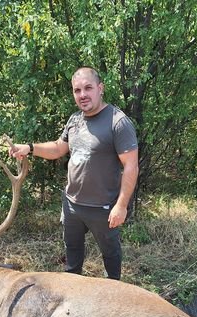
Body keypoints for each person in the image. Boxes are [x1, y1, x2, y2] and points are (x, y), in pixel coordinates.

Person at [9, 66, 139, 280]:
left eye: (88, 88)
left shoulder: (118, 122)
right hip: (72, 205)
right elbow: (59, 148)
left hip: (103, 208)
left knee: (111, 256)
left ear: (100, 88)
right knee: (72, 256)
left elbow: (131, 166)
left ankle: (114, 295)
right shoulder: (75, 120)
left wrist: (121, 205)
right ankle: (71, 296)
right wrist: (30, 148)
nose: (83, 95)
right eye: (77, 90)